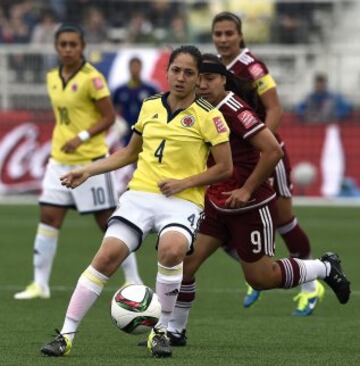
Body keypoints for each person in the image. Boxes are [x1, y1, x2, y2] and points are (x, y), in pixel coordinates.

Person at [39, 45, 233, 358]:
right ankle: (66, 335)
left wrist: (184, 183)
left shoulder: (210, 117)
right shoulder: (149, 106)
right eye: (176, 70)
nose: (180, 77)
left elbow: (225, 167)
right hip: (140, 195)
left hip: (182, 201)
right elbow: (130, 153)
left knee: (171, 251)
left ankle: (161, 333)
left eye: (189, 72)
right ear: (167, 72)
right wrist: (87, 170)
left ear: (198, 80)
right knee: (106, 258)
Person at [165, 54, 351, 346]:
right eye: (198, 78)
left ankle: (325, 267)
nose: (202, 84)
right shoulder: (199, 108)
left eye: (209, 79)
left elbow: (273, 150)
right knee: (184, 264)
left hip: (248, 206)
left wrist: (247, 189)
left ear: (224, 80)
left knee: (261, 278)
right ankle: (174, 331)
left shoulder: (235, 110)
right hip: (215, 203)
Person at [14, 24, 142, 301]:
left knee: (108, 223)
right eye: (63, 44)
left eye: (74, 44)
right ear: (57, 47)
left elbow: (109, 118)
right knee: (48, 217)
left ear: (82, 47)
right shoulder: (51, 76)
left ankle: (133, 280)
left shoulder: (92, 78)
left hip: (90, 162)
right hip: (59, 161)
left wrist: (81, 136)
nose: (68, 49)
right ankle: (40, 284)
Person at [211, 11, 326, 315]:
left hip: (265, 152)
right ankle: (258, 268)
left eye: (229, 34)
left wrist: (263, 142)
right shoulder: (215, 69)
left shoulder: (252, 67)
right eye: (218, 34)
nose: (223, 39)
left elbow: (275, 109)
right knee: (221, 218)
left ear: (240, 36)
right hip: (235, 157)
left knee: (284, 219)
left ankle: (310, 285)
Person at [112, 56, 160, 145]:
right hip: (126, 131)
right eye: (133, 67)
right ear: (129, 68)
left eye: (137, 67)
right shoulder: (120, 90)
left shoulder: (150, 89)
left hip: (145, 130)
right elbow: (113, 109)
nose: (135, 69)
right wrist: (117, 122)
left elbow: (159, 109)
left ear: (141, 68)